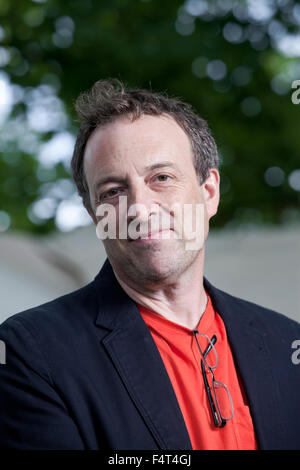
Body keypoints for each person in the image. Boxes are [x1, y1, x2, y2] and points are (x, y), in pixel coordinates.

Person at [0, 79, 299, 450]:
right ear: (95, 215)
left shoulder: (286, 343)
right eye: (113, 191)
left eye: (162, 178)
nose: (140, 208)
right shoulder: (31, 353)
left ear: (209, 193)